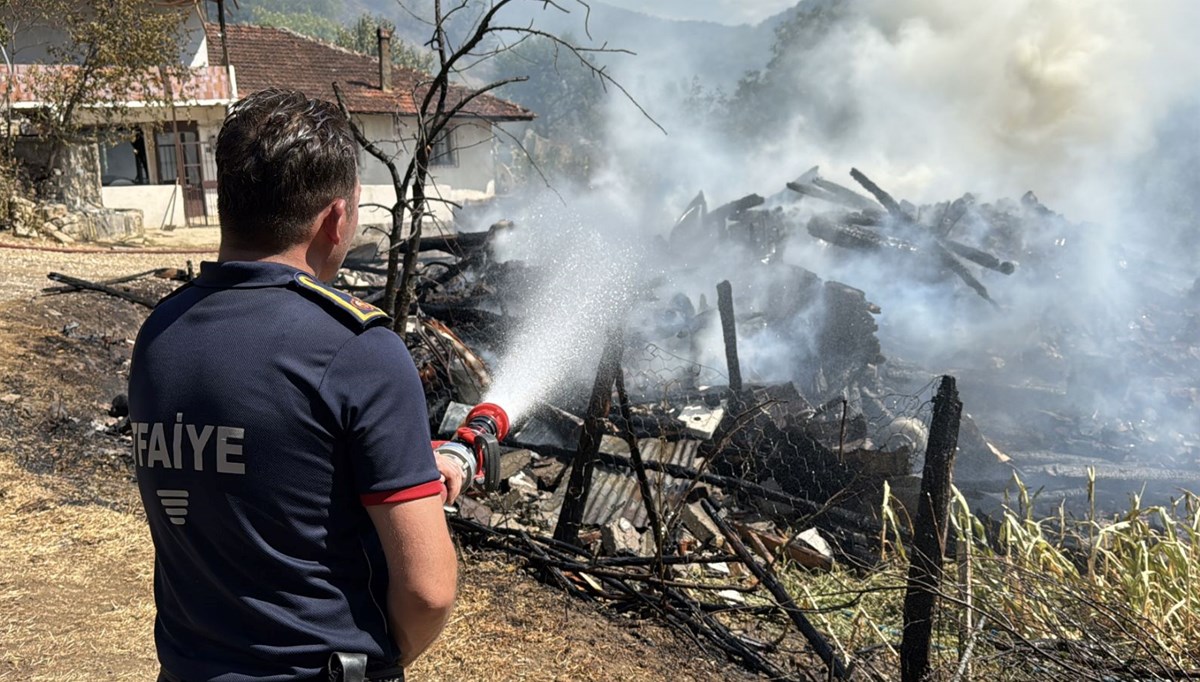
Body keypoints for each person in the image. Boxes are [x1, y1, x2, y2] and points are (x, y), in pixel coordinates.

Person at [128, 88, 462, 682]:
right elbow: (429, 592)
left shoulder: (161, 332)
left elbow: (260, 482)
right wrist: (385, 661)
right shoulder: (359, 350)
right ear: (336, 219)